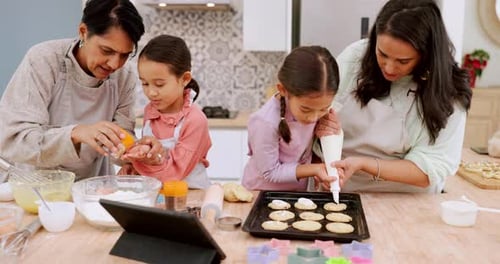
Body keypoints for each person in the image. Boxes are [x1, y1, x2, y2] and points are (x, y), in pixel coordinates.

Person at [316, 0, 472, 193]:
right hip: (342, 189)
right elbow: (317, 110)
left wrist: (365, 164)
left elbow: (432, 167)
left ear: (427, 55)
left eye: (403, 61)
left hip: (407, 200)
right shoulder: (355, 58)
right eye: (382, 54)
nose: (389, 68)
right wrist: (320, 123)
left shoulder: (448, 91)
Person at [0, 0, 162, 180]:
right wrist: (76, 133)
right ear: (83, 32)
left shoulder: (125, 75)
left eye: (125, 55)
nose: (115, 64)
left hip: (92, 189)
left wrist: (138, 152)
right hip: (35, 189)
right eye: (106, 50)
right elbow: (13, 140)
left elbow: (120, 142)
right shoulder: (43, 60)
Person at [118, 35, 212, 189]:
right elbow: (152, 159)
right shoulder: (151, 111)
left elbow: (175, 172)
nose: (151, 93)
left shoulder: (195, 120)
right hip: (159, 193)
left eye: (159, 84)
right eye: (145, 83)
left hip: (191, 195)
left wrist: (140, 164)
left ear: (185, 79)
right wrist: (134, 167)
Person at [241, 46, 341, 191]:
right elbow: (271, 172)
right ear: (283, 90)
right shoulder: (266, 122)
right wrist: (314, 169)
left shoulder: (318, 110)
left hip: (295, 193)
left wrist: (324, 168)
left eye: (323, 108)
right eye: (306, 109)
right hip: (260, 194)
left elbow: (311, 151)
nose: (313, 118)